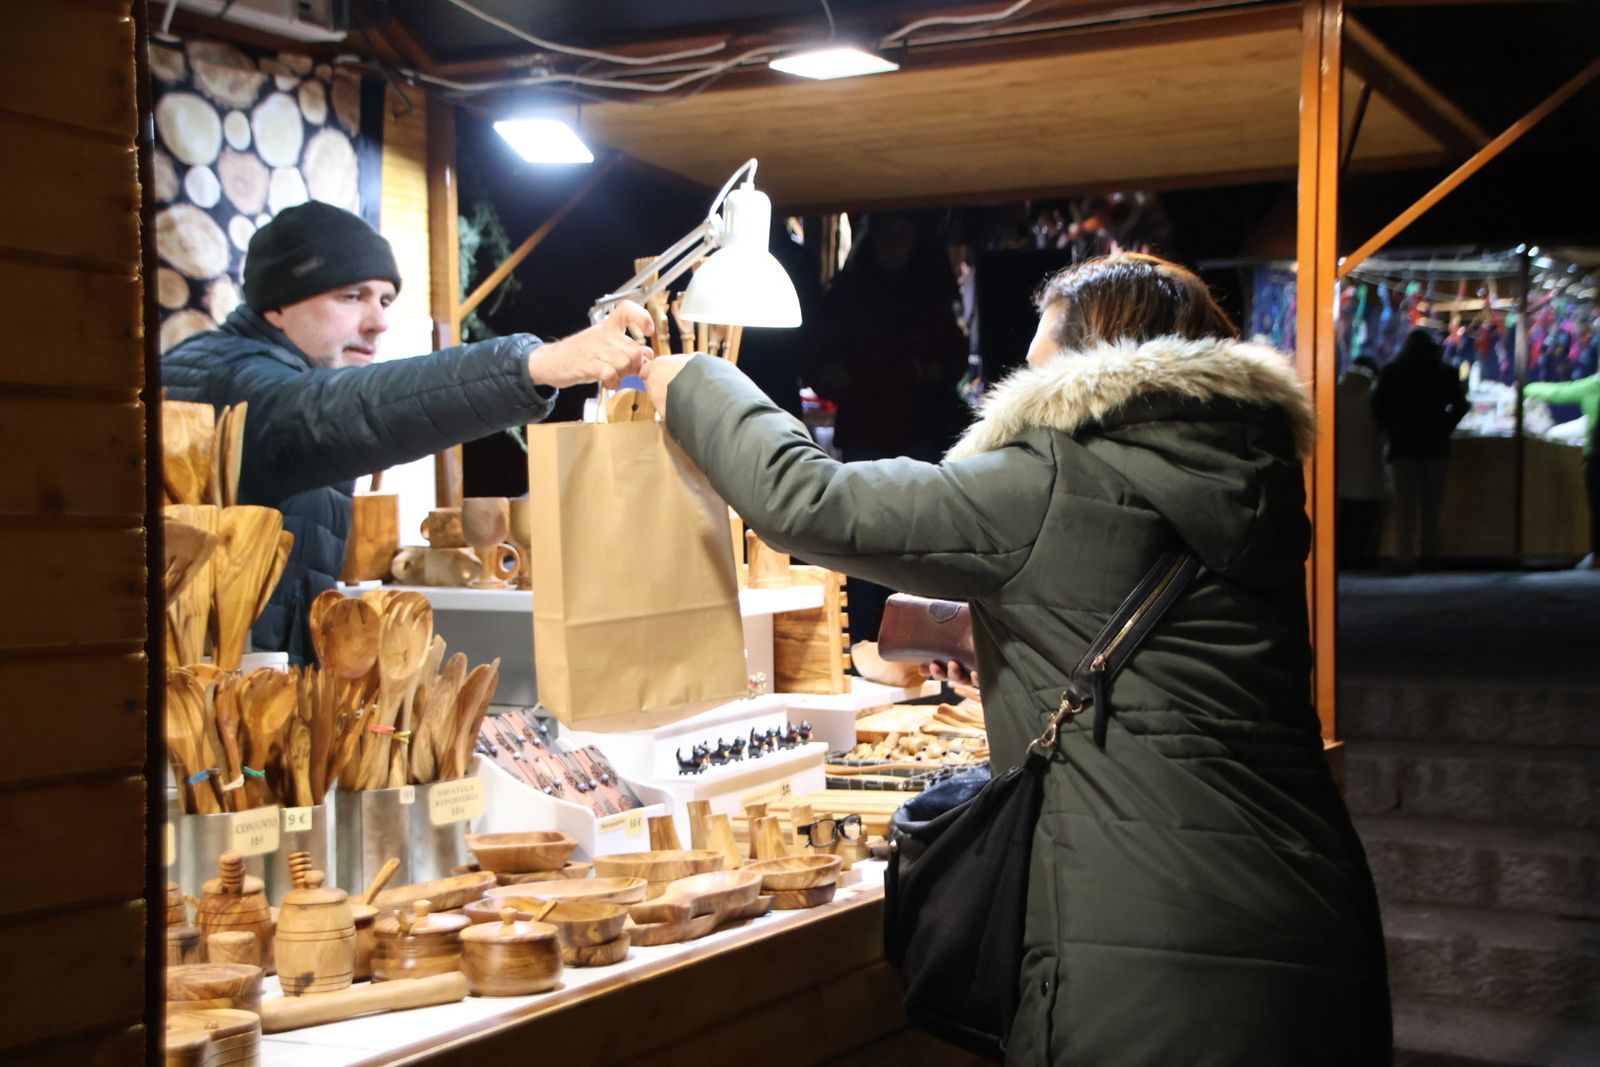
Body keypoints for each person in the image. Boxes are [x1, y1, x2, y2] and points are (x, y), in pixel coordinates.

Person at [642, 253, 1390, 1064]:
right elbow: (1173, 649)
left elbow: (811, 501)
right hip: (1314, 927)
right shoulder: (1248, 478)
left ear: (1088, 374)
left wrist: (693, 382)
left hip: (1149, 968)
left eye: (1037, 372)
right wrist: (1011, 637)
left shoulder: (1056, 477)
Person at [163, 201, 651, 663]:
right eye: (351, 296)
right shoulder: (228, 379)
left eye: (385, 300)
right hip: (196, 705)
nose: (378, 323)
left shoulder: (270, 371)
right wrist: (537, 364)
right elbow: (335, 411)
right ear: (276, 304)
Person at [802, 211, 970, 643]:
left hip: (920, 435)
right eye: (885, 234)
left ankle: (924, 644)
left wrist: (921, 369)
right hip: (865, 432)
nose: (892, 243)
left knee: (919, 546)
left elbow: (953, 355)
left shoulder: (930, 286)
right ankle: (860, 640)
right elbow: (819, 357)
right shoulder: (851, 288)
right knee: (860, 545)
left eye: (902, 233)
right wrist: (837, 377)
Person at [1372, 328, 1470, 570]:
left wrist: (1390, 429)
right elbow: (1461, 404)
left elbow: (1378, 407)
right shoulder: (1444, 371)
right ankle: (1430, 554)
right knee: (1432, 506)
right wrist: (1445, 427)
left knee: (1406, 506)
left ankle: (1405, 556)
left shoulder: (1392, 371)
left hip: (1402, 446)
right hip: (1436, 446)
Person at [1524, 370, 1600, 568]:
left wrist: (1525, 388)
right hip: (1595, 455)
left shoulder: (1593, 386)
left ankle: (1597, 556)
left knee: (1597, 508)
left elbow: (1558, 392)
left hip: (1596, 457)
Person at [1336, 355, 1387, 569]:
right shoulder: (1373, 398)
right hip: (1367, 469)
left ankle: (1340, 559)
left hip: (1337, 473)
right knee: (1362, 521)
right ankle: (1358, 560)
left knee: (1341, 520)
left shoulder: (1334, 395)